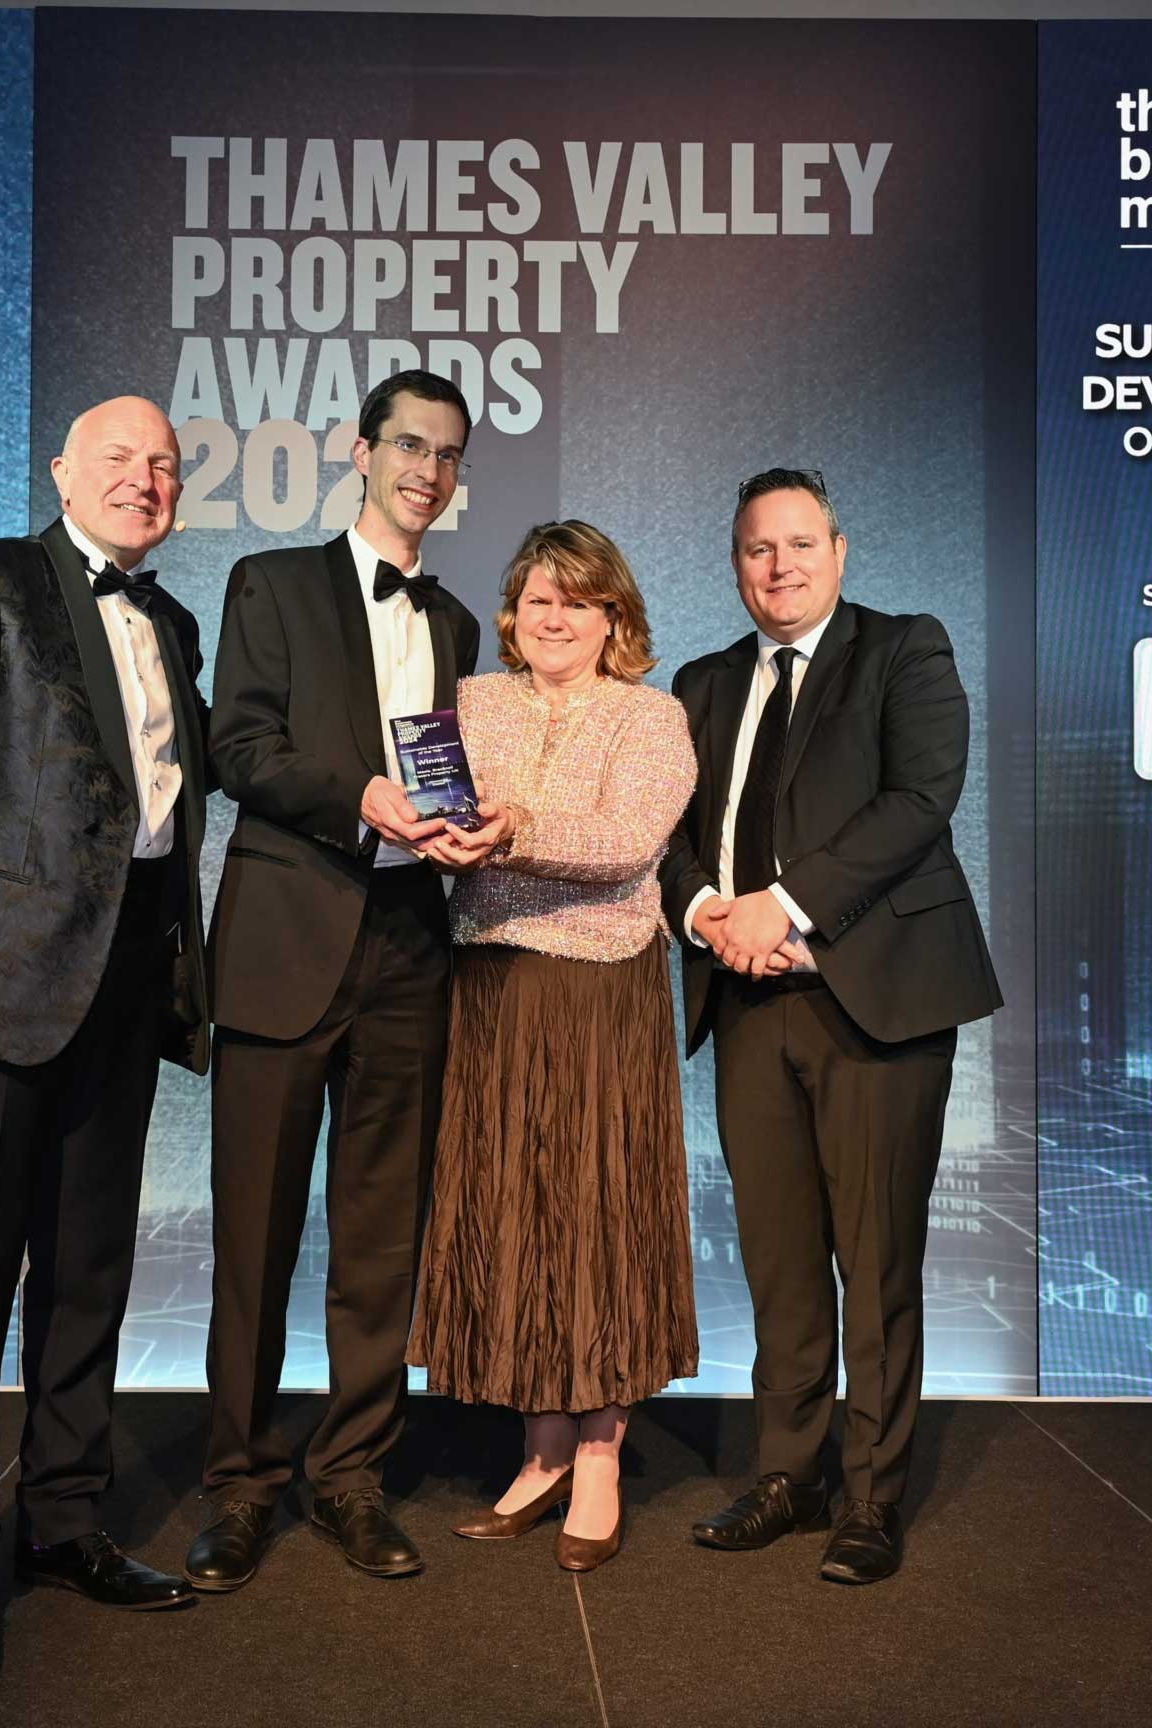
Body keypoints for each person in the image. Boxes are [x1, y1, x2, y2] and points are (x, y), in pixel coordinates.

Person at [0, 396, 209, 1676]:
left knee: (87, 1272)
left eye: (165, 465)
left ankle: (65, 1518)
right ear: (60, 470)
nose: (144, 479)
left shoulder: (172, 621)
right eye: (119, 459)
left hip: (127, 984)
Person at [659, 467, 1001, 1586]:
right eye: (759, 548)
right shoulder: (705, 685)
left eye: (801, 544)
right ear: (735, 564)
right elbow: (666, 835)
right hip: (749, 1001)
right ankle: (787, 1477)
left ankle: (871, 1498)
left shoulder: (905, 650)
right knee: (780, 1264)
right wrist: (710, 913)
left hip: (878, 1004)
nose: (781, 566)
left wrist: (784, 903)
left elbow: (919, 800)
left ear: (839, 552)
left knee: (876, 1262)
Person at [186, 371, 484, 1590]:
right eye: (407, 444)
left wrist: (472, 828)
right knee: (253, 1242)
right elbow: (237, 749)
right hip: (280, 949)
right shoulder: (272, 584)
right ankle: (243, 1485)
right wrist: (358, 802)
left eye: (448, 454)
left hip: (412, 956)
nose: (426, 467)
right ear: (358, 453)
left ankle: (352, 1475)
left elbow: (450, 778)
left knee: (381, 1243)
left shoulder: (460, 622)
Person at [406, 521, 699, 1573]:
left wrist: (515, 825)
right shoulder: (470, 704)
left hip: (599, 988)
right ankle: (537, 1450)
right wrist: (434, 835)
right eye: (538, 601)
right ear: (511, 616)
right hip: (487, 980)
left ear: (613, 616)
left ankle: (603, 1454)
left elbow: (626, 844)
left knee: (596, 1214)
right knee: (512, 1212)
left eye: (579, 601)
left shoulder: (653, 717)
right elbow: (439, 820)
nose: (556, 619)